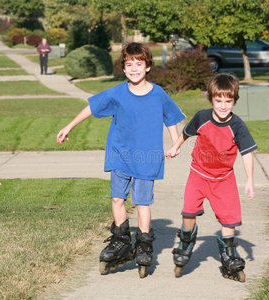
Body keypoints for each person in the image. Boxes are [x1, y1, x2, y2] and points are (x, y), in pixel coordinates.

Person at [56, 42, 185, 278]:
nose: (134, 69)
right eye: (129, 65)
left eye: (139, 64)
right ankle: (121, 241)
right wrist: (69, 126)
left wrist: (176, 144)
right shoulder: (117, 93)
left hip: (147, 157)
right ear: (123, 68)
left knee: (142, 202)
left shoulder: (158, 94)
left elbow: (171, 118)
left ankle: (144, 245)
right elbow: (92, 107)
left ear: (147, 67)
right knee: (117, 198)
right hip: (120, 154)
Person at [166, 73, 257, 282]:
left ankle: (228, 252)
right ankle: (186, 242)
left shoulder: (238, 126)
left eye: (228, 101)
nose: (223, 106)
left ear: (234, 101)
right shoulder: (202, 117)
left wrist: (250, 180)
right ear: (211, 99)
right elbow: (186, 133)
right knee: (188, 212)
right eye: (219, 101)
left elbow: (247, 154)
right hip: (198, 175)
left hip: (224, 179)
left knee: (229, 218)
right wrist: (174, 147)